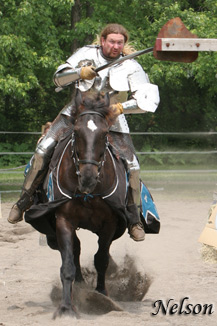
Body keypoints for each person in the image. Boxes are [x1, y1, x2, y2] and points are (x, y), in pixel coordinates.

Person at [8, 23, 160, 241]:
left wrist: (120, 108)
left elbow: (148, 100)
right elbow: (58, 78)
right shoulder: (86, 54)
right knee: (42, 151)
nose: (116, 46)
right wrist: (79, 72)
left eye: (120, 42)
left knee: (133, 166)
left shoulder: (132, 66)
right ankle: (24, 200)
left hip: (112, 119)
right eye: (112, 41)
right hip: (75, 113)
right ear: (103, 41)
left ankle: (134, 217)